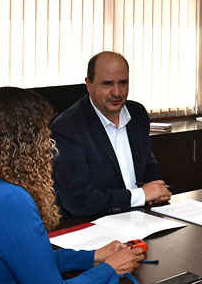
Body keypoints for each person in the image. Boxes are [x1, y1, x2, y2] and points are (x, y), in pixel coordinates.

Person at [0, 87, 144, 284]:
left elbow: (28, 263)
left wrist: (92, 257)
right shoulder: (9, 199)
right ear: (25, 140)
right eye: (43, 131)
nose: (49, 142)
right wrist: (110, 269)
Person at [51, 51, 171, 217]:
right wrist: (140, 195)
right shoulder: (67, 127)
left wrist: (157, 190)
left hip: (143, 218)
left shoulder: (137, 113)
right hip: (95, 226)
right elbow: (78, 201)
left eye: (123, 83)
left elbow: (148, 166)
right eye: (107, 84)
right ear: (89, 84)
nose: (117, 92)